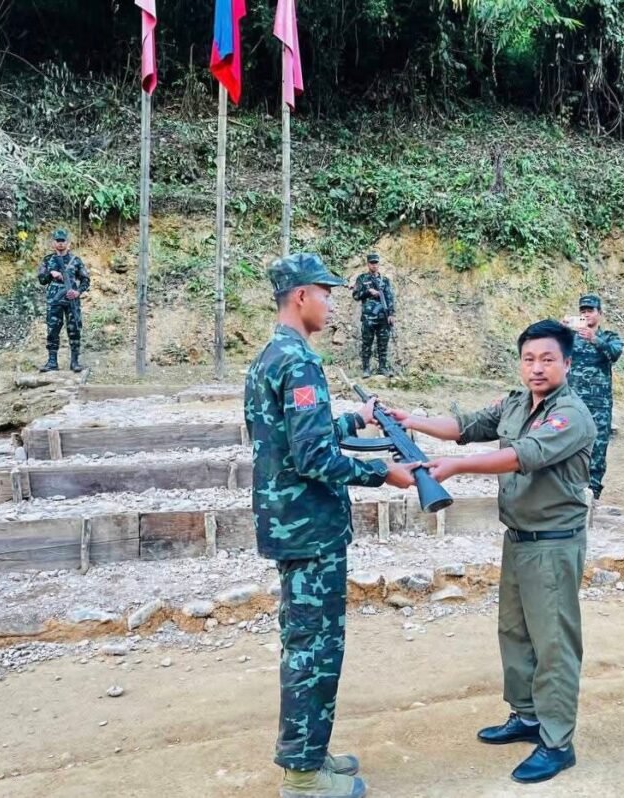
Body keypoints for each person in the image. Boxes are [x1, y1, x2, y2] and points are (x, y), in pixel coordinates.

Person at [385, 319, 596, 785]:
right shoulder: (516, 402)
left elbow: (522, 455)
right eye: (529, 358)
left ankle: (558, 743)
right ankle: (527, 716)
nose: (537, 368)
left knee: (554, 644)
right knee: (515, 633)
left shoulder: (571, 415)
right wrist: (410, 421)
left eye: (547, 359)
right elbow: (464, 426)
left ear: (566, 363)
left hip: (554, 544)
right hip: (518, 538)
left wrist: (457, 468)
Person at [244, 252, 416, 798]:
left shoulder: (272, 356)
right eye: (326, 293)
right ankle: (302, 776)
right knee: (314, 650)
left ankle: (311, 754)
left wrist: (354, 420)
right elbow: (314, 456)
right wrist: (382, 473)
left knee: (309, 642)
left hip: (294, 524)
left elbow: (296, 432)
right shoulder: (299, 362)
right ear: (301, 296)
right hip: (309, 528)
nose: (332, 304)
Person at [567, 294, 624, 500]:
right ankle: (569, 492)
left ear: (599, 313)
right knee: (568, 445)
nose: (586, 314)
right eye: (583, 311)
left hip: (599, 405)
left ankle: (593, 494)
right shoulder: (569, 337)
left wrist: (595, 340)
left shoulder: (608, 337)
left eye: (590, 311)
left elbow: (615, 354)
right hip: (572, 402)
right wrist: (560, 329)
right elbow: (550, 349)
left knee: (597, 449)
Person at [36, 228, 90, 373]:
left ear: (68, 243)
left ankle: (75, 362)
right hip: (54, 302)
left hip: (72, 301)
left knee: (74, 330)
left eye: (63, 241)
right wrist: (51, 274)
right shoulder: (48, 260)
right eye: (58, 241)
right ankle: (52, 362)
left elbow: (85, 280)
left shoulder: (75, 261)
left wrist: (77, 292)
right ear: (53, 243)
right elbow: (42, 280)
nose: (60, 243)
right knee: (52, 331)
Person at [351, 253, 395, 377]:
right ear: (368, 264)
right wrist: (368, 292)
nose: (374, 265)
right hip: (368, 318)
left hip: (383, 318)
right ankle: (366, 369)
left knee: (383, 344)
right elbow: (356, 295)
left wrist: (391, 314)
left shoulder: (385, 280)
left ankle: (382, 368)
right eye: (372, 263)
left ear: (378, 264)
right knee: (366, 344)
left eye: (376, 263)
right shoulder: (362, 279)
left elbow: (390, 298)